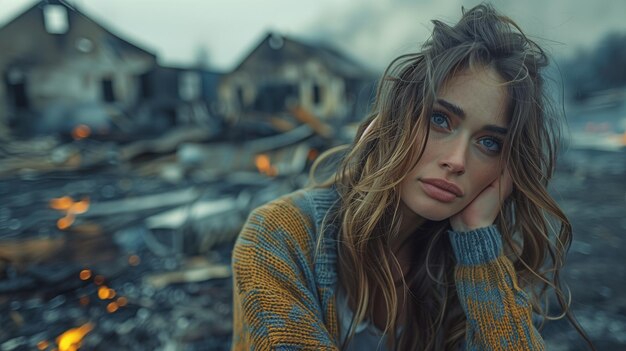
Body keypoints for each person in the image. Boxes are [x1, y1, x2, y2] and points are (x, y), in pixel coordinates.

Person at [230, 4, 594, 350]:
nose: (456, 161)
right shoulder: (277, 238)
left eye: (488, 142)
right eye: (440, 120)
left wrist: (477, 245)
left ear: (506, 167)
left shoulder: (462, 264)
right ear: (393, 121)